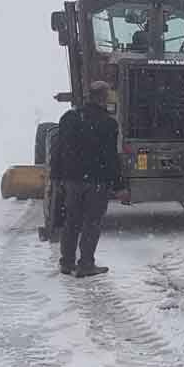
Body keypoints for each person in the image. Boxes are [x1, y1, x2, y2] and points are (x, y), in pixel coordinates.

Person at [52, 81, 127, 277]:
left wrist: (56, 177)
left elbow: (58, 150)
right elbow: (111, 156)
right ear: (104, 97)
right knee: (92, 223)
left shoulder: (69, 118)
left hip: (72, 180)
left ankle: (67, 263)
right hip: (97, 181)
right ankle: (86, 264)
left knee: (72, 221)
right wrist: (119, 185)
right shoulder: (108, 123)